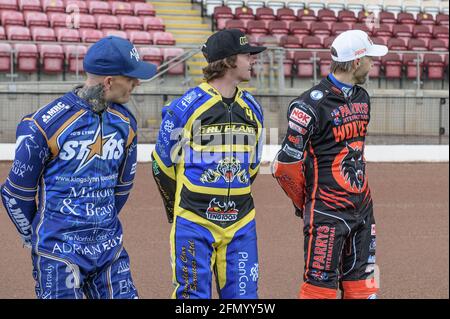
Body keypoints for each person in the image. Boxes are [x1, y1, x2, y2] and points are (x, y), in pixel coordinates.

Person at [0, 36, 157, 299]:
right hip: (58, 253)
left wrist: (100, 225)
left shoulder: (126, 122)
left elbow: (122, 187)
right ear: (109, 82)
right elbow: (15, 193)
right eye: (131, 78)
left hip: (110, 250)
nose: (137, 83)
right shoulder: (43, 124)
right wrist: (38, 238)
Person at [272, 30, 387, 299]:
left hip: (363, 208)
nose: (374, 64)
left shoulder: (362, 98)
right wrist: (305, 203)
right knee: (319, 290)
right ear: (357, 62)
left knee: (363, 287)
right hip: (327, 212)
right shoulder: (308, 105)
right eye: (370, 58)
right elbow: (285, 165)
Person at [151, 29, 266, 299]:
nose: (253, 59)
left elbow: (252, 167)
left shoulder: (253, 108)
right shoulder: (185, 108)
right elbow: (161, 163)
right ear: (227, 61)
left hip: (241, 224)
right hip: (193, 222)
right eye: (246, 54)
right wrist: (177, 209)